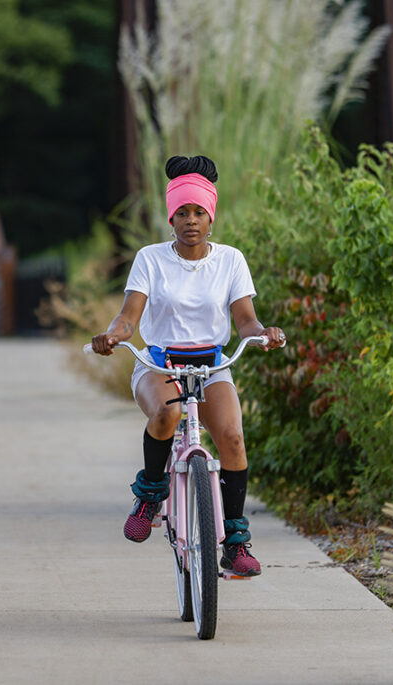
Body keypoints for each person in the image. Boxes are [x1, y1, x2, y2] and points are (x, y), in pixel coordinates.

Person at [90, 155, 285, 577]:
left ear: (211, 217)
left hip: (212, 363)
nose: (191, 220)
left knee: (232, 437)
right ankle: (150, 494)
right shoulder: (151, 259)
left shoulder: (231, 260)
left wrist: (262, 332)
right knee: (168, 411)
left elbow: (245, 318)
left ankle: (235, 543)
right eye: (182, 212)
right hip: (158, 361)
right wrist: (113, 335)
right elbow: (128, 317)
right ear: (171, 218)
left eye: (199, 212)